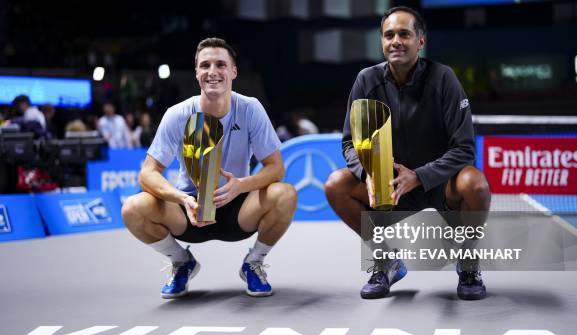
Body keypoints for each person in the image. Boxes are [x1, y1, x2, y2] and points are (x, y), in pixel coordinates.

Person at [325, 7, 491, 300]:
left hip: (441, 185)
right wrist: (369, 174)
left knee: (475, 184)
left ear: (420, 41)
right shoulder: (366, 81)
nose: (396, 41)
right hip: (392, 187)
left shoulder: (443, 78)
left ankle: (467, 263)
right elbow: (350, 144)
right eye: (389, 35)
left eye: (404, 34)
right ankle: (386, 261)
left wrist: (420, 175)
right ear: (382, 41)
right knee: (336, 185)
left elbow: (465, 148)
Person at [121, 38, 297, 299]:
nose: (212, 72)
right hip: (189, 210)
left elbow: (275, 168)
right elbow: (148, 173)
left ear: (233, 72)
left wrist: (241, 185)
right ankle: (182, 262)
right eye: (205, 65)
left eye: (220, 65)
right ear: (196, 73)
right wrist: (181, 198)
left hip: (237, 207)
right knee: (133, 208)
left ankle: (254, 263)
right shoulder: (177, 115)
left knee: (285, 194)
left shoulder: (250, 109)